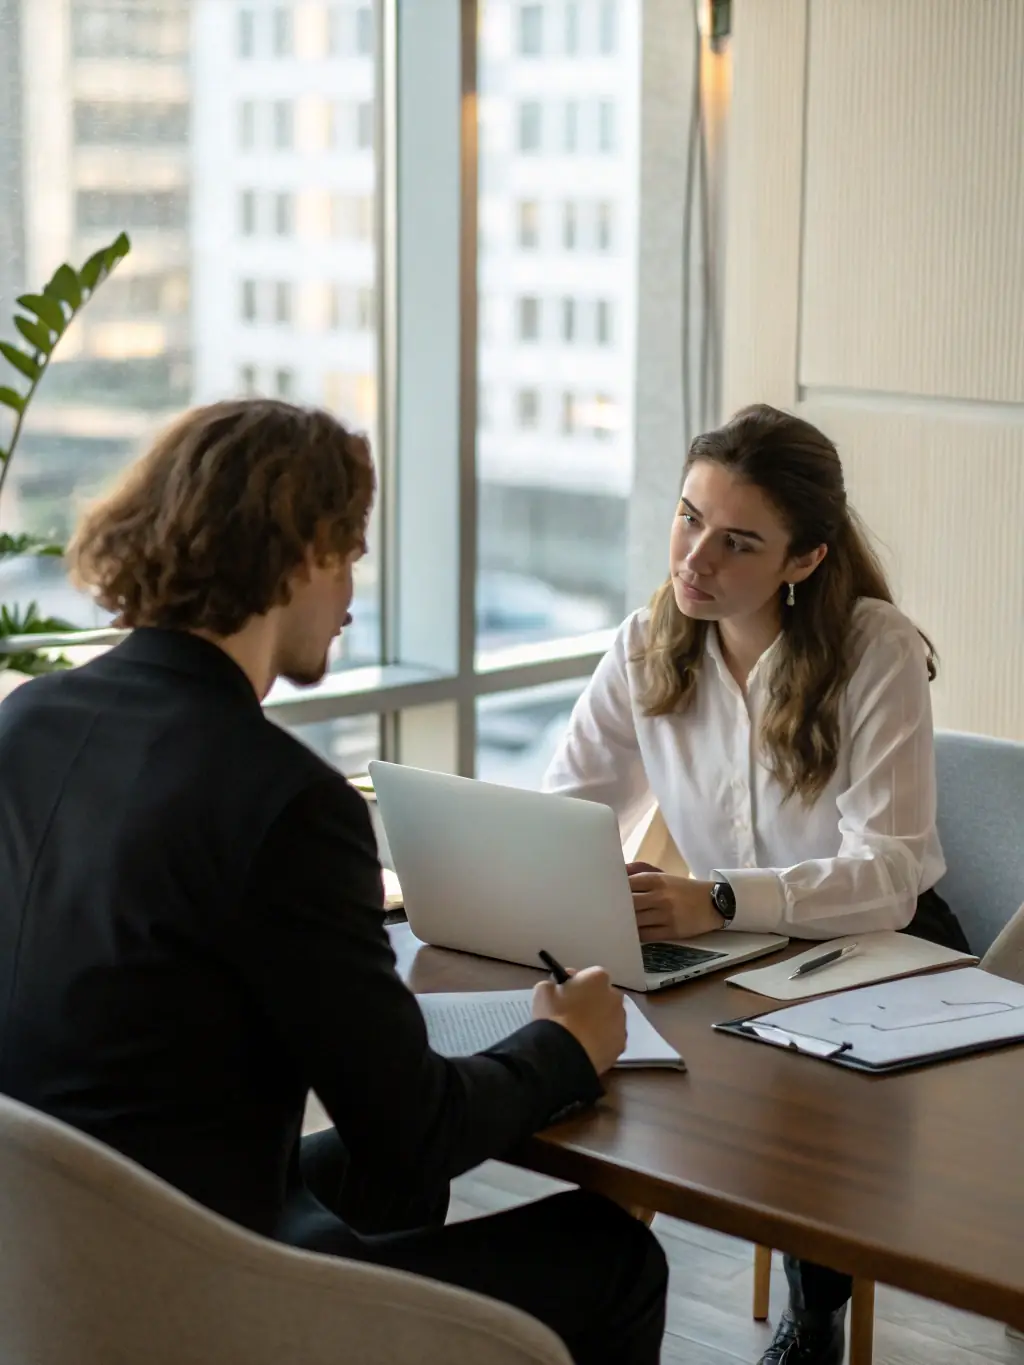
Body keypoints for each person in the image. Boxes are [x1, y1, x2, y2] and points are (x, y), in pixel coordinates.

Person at [0, 399, 668, 1365]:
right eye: (349, 553)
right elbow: (420, 1130)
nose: (356, 592)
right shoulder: (285, 800)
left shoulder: (29, 723)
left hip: (46, 1256)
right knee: (611, 1256)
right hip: (189, 1293)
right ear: (299, 554)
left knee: (377, 1183)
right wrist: (564, 1043)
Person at [544, 403, 969, 1365]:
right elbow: (566, 808)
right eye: (690, 517)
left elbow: (893, 870)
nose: (695, 559)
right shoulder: (647, 644)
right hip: (732, 939)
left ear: (804, 559)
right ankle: (594, 1286)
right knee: (616, 1052)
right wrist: (572, 874)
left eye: (737, 541)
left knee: (794, 1091)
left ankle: (812, 1309)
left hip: (883, 939)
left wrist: (724, 899)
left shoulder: (873, 648)